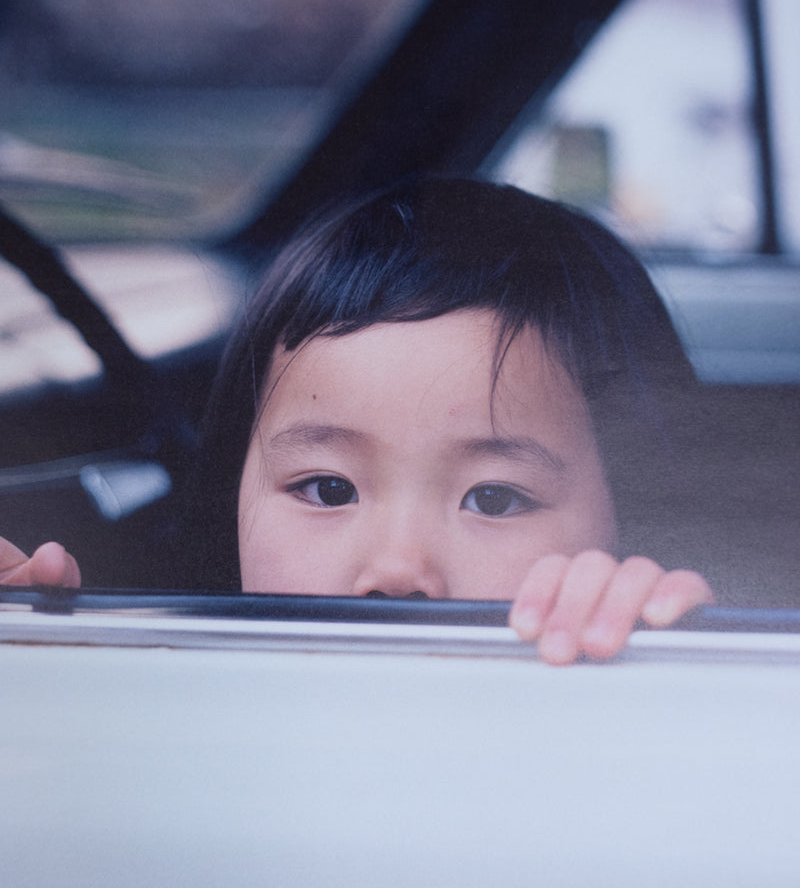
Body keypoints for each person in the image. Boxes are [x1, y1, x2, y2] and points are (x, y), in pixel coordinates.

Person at [1, 177, 712, 662]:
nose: (398, 571)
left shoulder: (630, 683)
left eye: (494, 498)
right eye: (328, 489)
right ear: (235, 500)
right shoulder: (176, 690)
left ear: (637, 515)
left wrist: (649, 637)